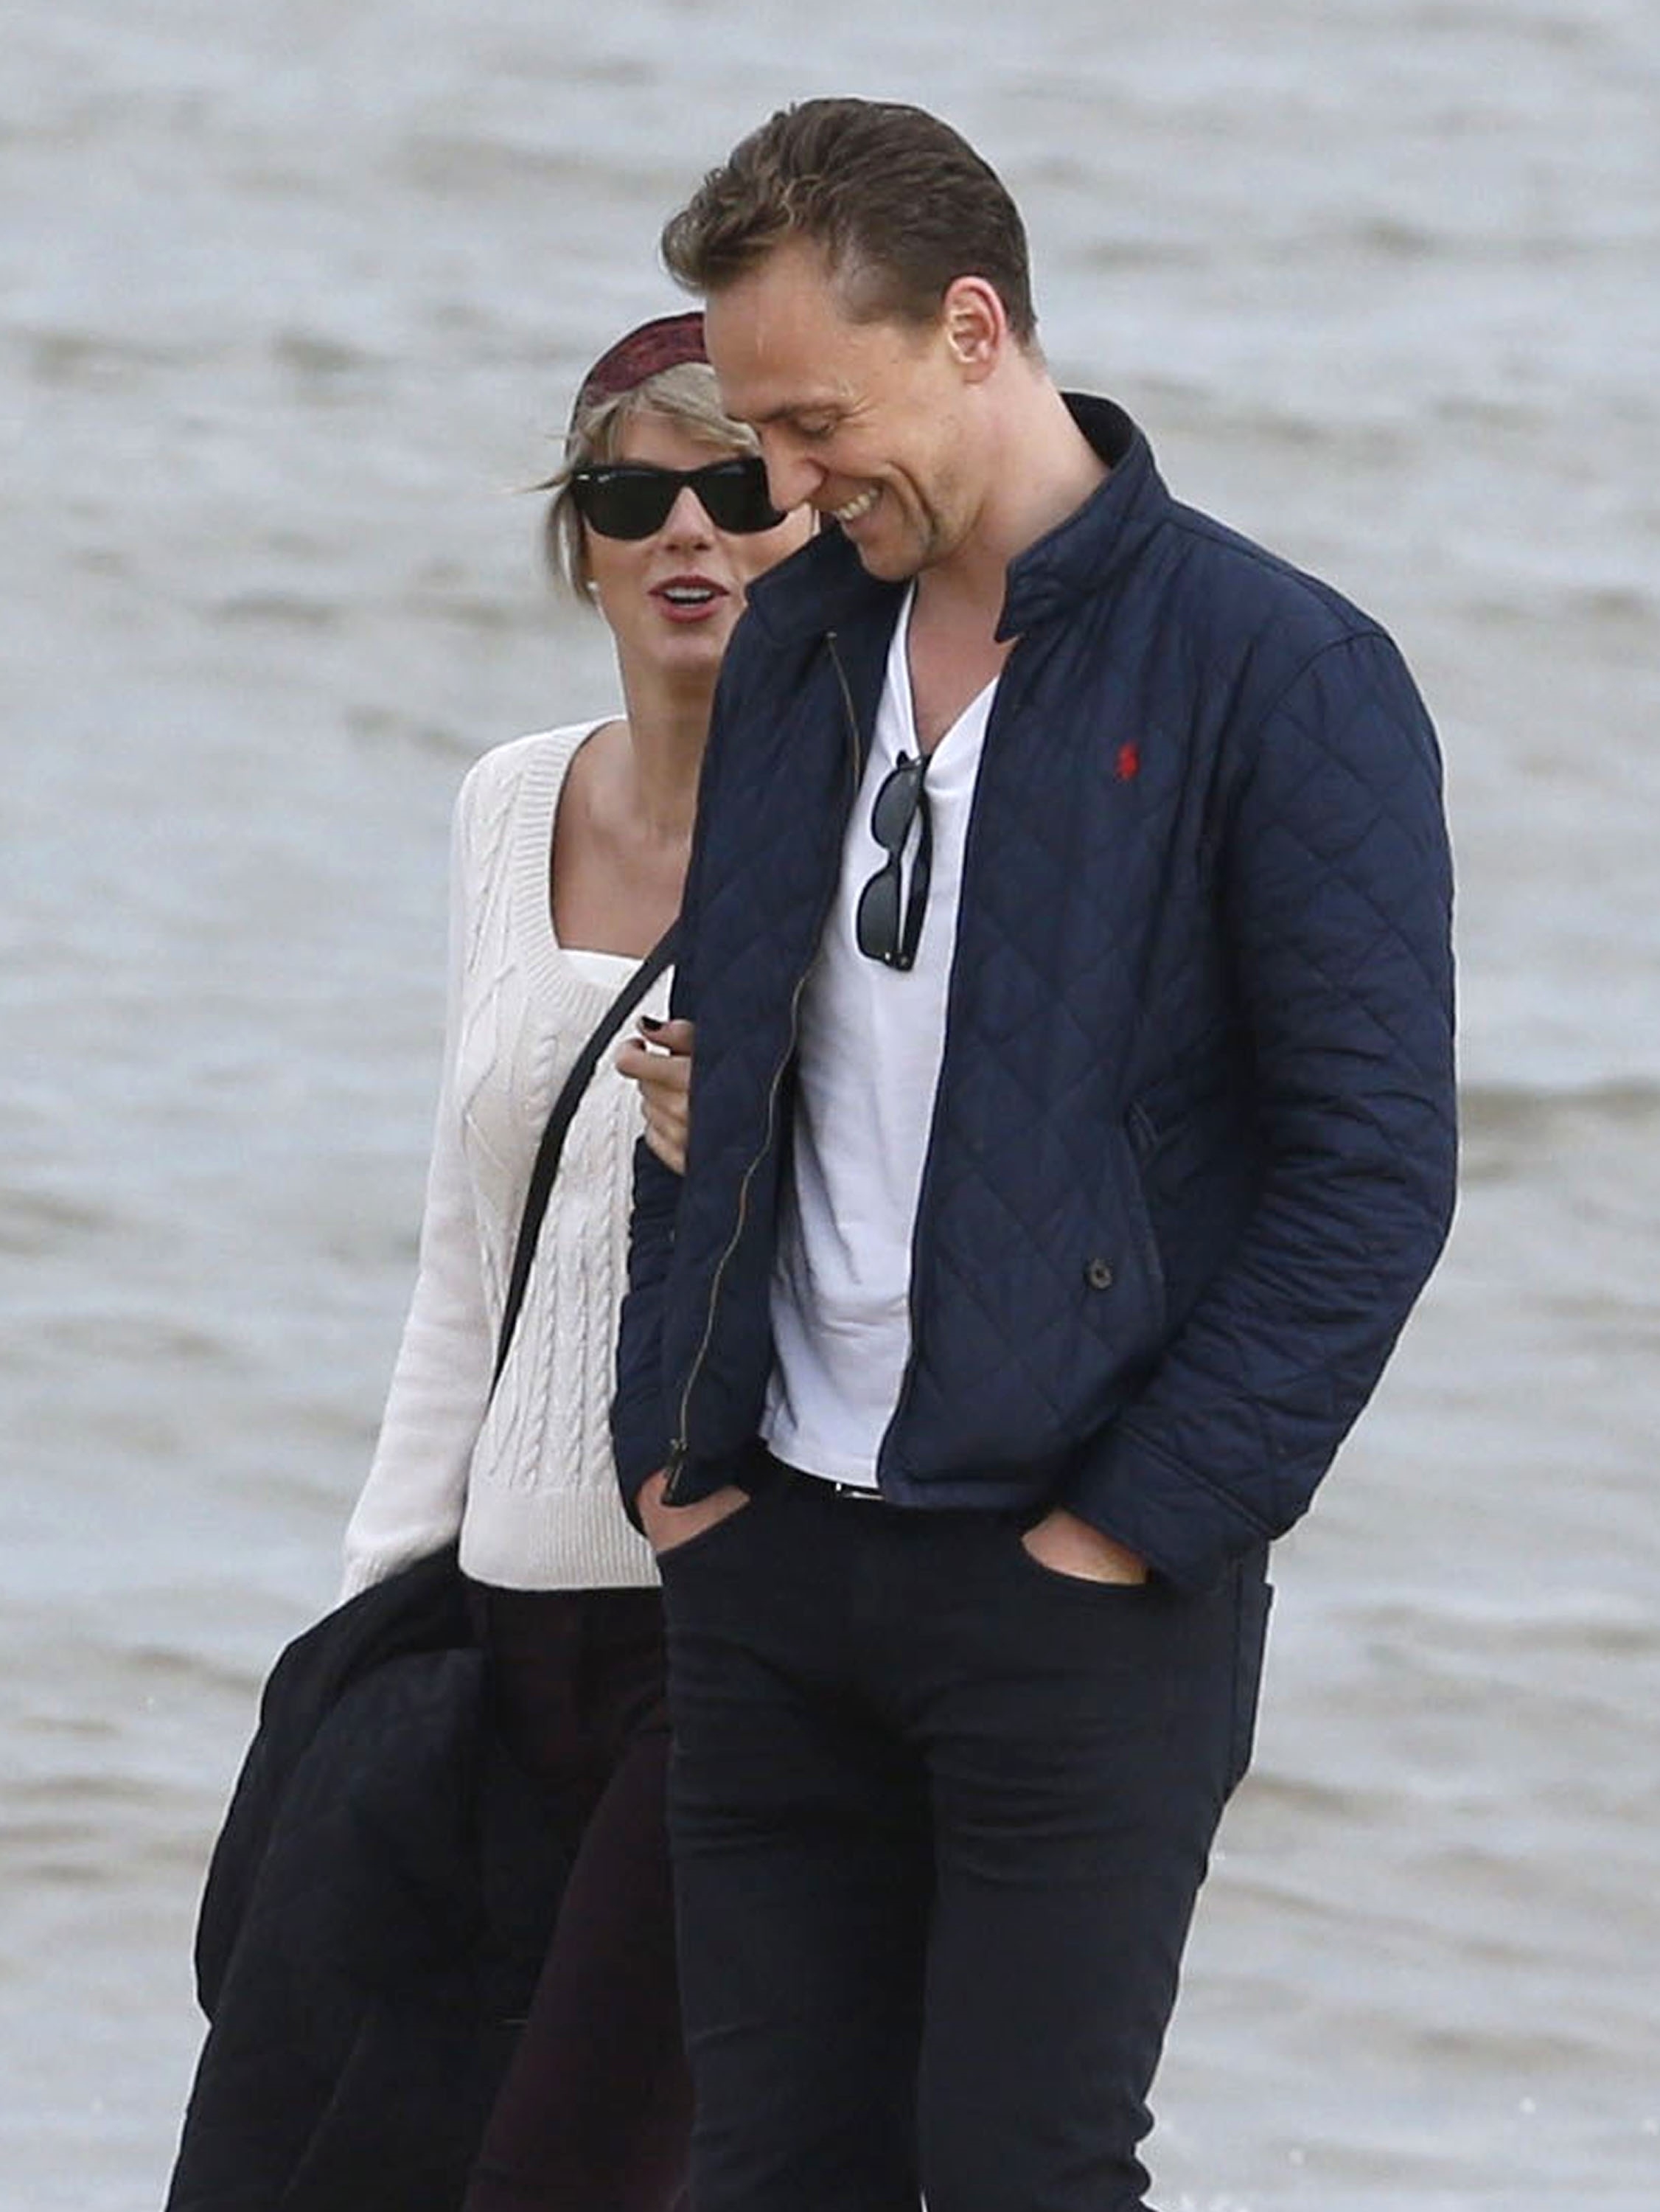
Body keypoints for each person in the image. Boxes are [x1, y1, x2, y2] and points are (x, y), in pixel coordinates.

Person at [611, 98, 1458, 2212]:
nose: (782, 489)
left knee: (1023, 2177)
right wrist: (674, 1448)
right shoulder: (809, 644)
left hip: (1075, 1586)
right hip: (771, 1549)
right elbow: (710, 1049)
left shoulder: (1286, 674)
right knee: (766, 2176)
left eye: (813, 423)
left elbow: (1373, 1176)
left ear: (974, 328)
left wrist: (1132, 1532)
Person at [166, 310, 809, 2212]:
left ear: (814, 521)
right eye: (635, 494)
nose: (688, 532)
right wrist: (374, 1619)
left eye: (737, 488)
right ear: (582, 543)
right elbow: (472, 1240)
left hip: (720, 1616)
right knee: (305, 2154)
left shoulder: (876, 836)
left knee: (576, 2170)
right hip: (489, 1619)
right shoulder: (506, 802)